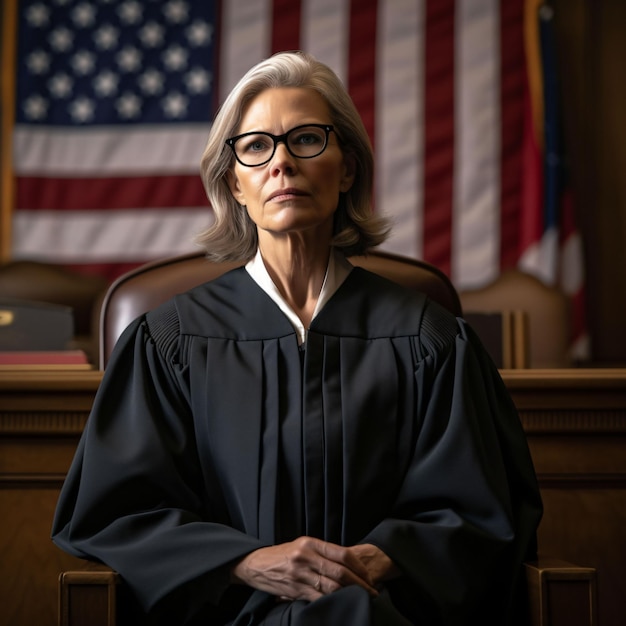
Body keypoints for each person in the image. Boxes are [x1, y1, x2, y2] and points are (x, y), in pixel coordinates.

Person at [52, 51, 542, 625]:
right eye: (256, 147)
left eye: (306, 139)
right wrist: (247, 561)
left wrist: (378, 560)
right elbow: (118, 512)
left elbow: (480, 510)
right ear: (234, 183)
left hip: (378, 609)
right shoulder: (171, 342)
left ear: (348, 167)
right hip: (228, 611)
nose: (281, 163)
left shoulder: (427, 339)